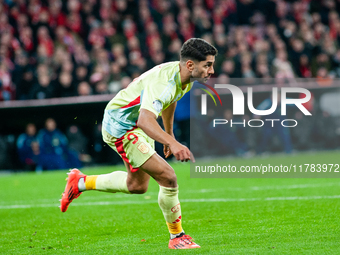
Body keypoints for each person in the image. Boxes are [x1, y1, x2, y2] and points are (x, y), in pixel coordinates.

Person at [60, 38, 217, 249]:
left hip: (140, 124)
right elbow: (145, 119)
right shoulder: (165, 81)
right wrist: (174, 143)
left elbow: (169, 100)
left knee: (137, 186)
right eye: (207, 65)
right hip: (123, 126)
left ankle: (79, 182)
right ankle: (177, 237)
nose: (211, 70)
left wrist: (169, 135)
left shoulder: (183, 77)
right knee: (168, 177)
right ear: (190, 65)